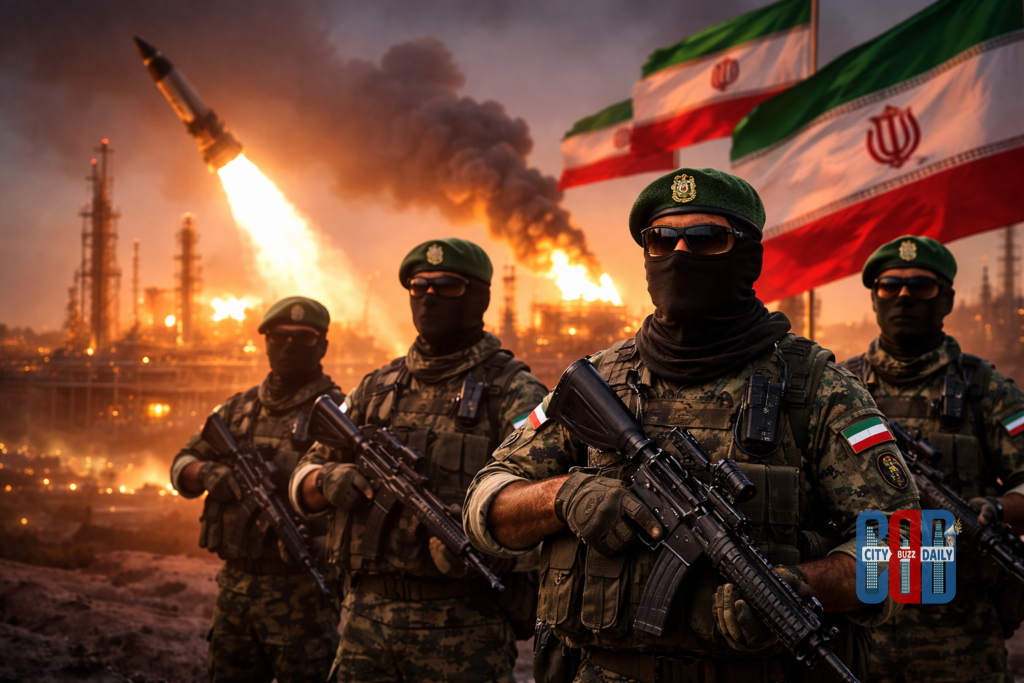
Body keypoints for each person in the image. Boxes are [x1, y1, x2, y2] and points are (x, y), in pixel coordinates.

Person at [463, 168, 920, 683]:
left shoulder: (818, 390)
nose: (680, 254)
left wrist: (806, 584)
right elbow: (485, 505)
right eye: (661, 239)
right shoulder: (599, 383)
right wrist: (562, 495)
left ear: (749, 256)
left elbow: (922, 557)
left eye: (706, 239)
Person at [290, 238, 549, 683]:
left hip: (464, 631)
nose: (429, 297)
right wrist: (329, 479)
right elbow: (303, 478)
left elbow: (545, 510)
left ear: (479, 298)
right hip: (363, 625)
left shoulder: (515, 393)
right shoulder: (376, 388)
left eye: (446, 287)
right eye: (418, 286)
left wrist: (482, 542)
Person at [840, 236, 1024, 683]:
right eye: (890, 286)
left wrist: (996, 509)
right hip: (857, 629)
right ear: (874, 298)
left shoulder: (986, 389)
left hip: (959, 632)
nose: (904, 296)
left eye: (921, 286)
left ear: (947, 299)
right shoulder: (838, 388)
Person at [170, 296, 341, 683]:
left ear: (323, 346)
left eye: (303, 337)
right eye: (279, 336)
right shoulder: (238, 409)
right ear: (265, 341)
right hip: (236, 588)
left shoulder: (340, 415)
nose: (289, 345)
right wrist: (210, 474)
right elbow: (181, 466)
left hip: (304, 593)